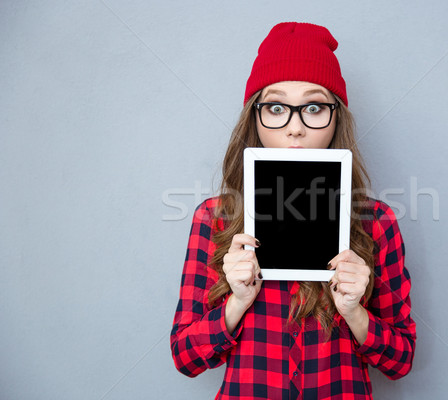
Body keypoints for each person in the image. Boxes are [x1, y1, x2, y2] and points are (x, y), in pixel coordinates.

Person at [170, 22, 416, 399]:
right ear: (255, 116)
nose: (295, 128)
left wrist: (355, 312)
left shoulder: (376, 222)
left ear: (336, 119)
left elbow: (400, 362)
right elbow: (186, 357)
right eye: (276, 107)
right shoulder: (213, 218)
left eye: (314, 107)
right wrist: (237, 301)